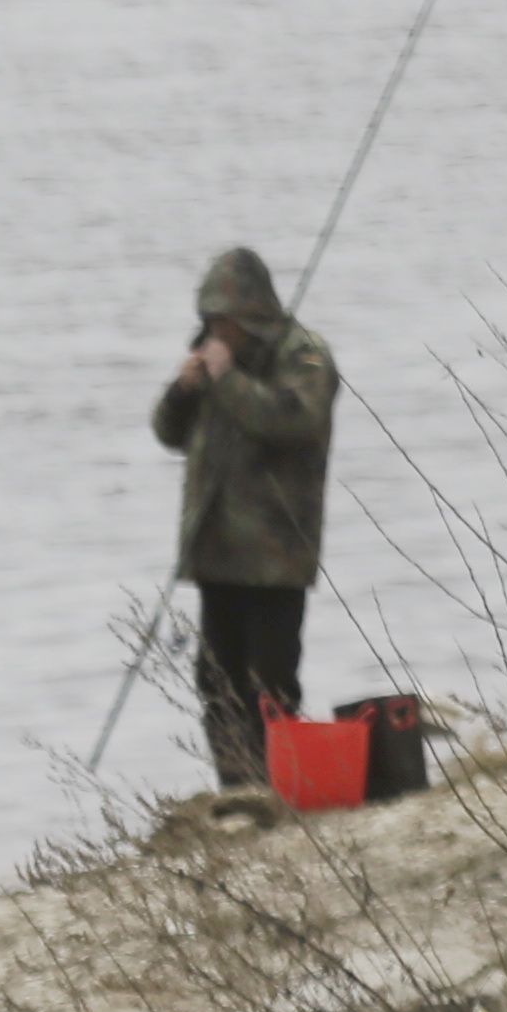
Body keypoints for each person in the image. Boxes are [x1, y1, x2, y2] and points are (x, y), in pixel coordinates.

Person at [149, 246, 341, 789]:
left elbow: (294, 422)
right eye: (208, 320)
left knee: (272, 684)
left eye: (222, 319)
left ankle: (283, 786)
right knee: (217, 681)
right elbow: (167, 432)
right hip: (217, 553)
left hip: (276, 555)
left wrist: (228, 380)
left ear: (250, 315)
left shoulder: (303, 355)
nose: (214, 330)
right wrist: (184, 389)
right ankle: (239, 786)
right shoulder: (210, 362)